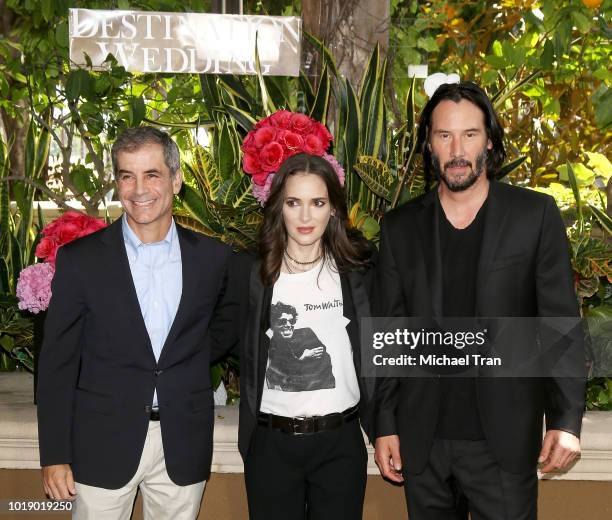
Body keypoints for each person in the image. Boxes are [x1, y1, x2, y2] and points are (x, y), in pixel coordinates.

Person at [373, 82, 585, 519]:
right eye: (443, 135)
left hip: (504, 441)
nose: (456, 149)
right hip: (423, 442)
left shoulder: (535, 215)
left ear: (489, 139)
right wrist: (385, 424)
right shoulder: (399, 227)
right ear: (428, 144)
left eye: (469, 134)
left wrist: (565, 421)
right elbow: (390, 333)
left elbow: (559, 324)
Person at [36, 126, 243, 520]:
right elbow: (57, 364)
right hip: (101, 441)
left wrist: (189, 362)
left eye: (152, 174)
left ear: (176, 181)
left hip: (182, 440)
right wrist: (56, 455)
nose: (138, 189)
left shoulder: (213, 259)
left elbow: (226, 324)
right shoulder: (82, 261)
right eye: (126, 176)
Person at [239, 150, 375, 520]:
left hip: (340, 442)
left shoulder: (357, 270)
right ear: (278, 207)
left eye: (317, 202)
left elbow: (380, 348)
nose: (304, 216)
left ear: (333, 208)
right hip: (271, 443)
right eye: (293, 202)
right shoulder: (253, 275)